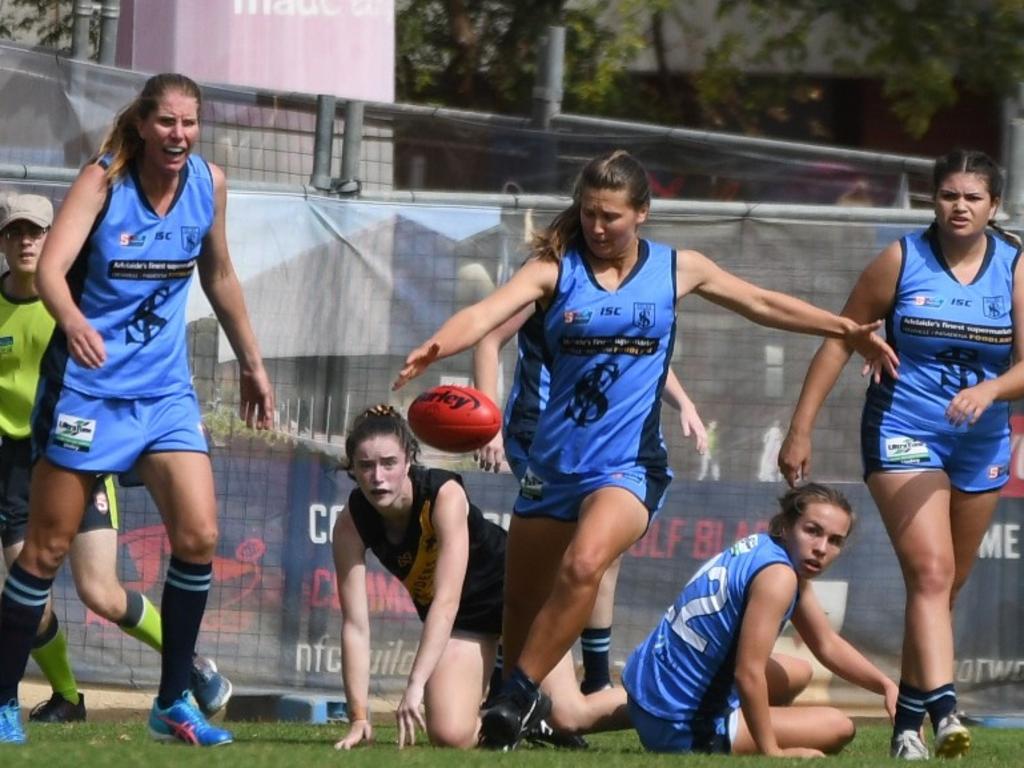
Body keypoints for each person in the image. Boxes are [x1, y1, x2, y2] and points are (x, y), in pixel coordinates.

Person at [394, 148, 897, 750]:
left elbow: (762, 302)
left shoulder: (678, 268)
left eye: (610, 216)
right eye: (588, 214)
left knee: (584, 565)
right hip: (551, 466)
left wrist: (841, 327)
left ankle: (519, 694)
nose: (597, 227)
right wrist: (436, 345)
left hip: (629, 467)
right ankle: (523, 701)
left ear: (643, 214)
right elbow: (484, 314)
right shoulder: (555, 269)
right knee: (521, 605)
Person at [0, 72, 275, 747]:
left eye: (189, 123)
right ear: (144, 125)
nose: (178, 135)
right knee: (44, 550)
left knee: (201, 535)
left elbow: (219, 274)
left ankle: (172, 702)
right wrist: (73, 321)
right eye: (167, 123)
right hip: (87, 391)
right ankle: (4, 699)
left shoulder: (209, 183)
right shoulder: (104, 180)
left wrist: (253, 363)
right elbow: (54, 269)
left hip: (164, 395)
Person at [777, 148, 1022, 760]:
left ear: (994, 206)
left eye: (972, 197)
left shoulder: (1015, 267)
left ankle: (906, 725)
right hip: (903, 429)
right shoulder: (900, 259)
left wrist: (991, 389)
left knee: (946, 586)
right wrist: (800, 428)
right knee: (932, 574)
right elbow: (841, 340)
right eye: (947, 195)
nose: (958, 206)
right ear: (931, 199)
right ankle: (943, 709)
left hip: (983, 438)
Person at [0, 193, 232, 726]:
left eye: (37, 232)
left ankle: (190, 666)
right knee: (30, 597)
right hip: (17, 465)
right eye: (15, 233)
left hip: (81, 447)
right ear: (4, 243)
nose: (27, 242)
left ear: (59, 238)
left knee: (101, 591)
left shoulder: (84, 301)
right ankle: (66, 697)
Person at [332, 405, 630, 751]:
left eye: (388, 463)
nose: (378, 477)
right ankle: (529, 723)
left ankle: (676, 701)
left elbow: (445, 602)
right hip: (467, 621)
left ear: (408, 461)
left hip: (519, 600)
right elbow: (355, 624)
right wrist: (359, 717)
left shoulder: (444, 495)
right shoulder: (351, 523)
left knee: (571, 714)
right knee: (449, 735)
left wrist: (414, 685)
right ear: (352, 468)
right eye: (366, 466)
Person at [473, 304, 706, 695]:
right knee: (552, 566)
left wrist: (685, 402)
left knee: (602, 553)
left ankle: (594, 680)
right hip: (542, 436)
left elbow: (644, 353)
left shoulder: (628, 286)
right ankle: (509, 684)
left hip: (605, 441)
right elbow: (488, 337)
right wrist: (488, 422)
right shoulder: (549, 278)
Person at [624, 483, 897, 757]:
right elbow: (748, 673)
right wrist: (773, 752)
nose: (821, 548)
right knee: (839, 727)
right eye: (812, 531)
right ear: (787, 525)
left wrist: (886, 686)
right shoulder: (779, 577)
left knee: (798, 671)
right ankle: (730, 734)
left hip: (646, 689)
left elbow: (826, 643)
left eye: (835, 540)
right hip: (682, 725)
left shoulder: (766, 548)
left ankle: (740, 723)